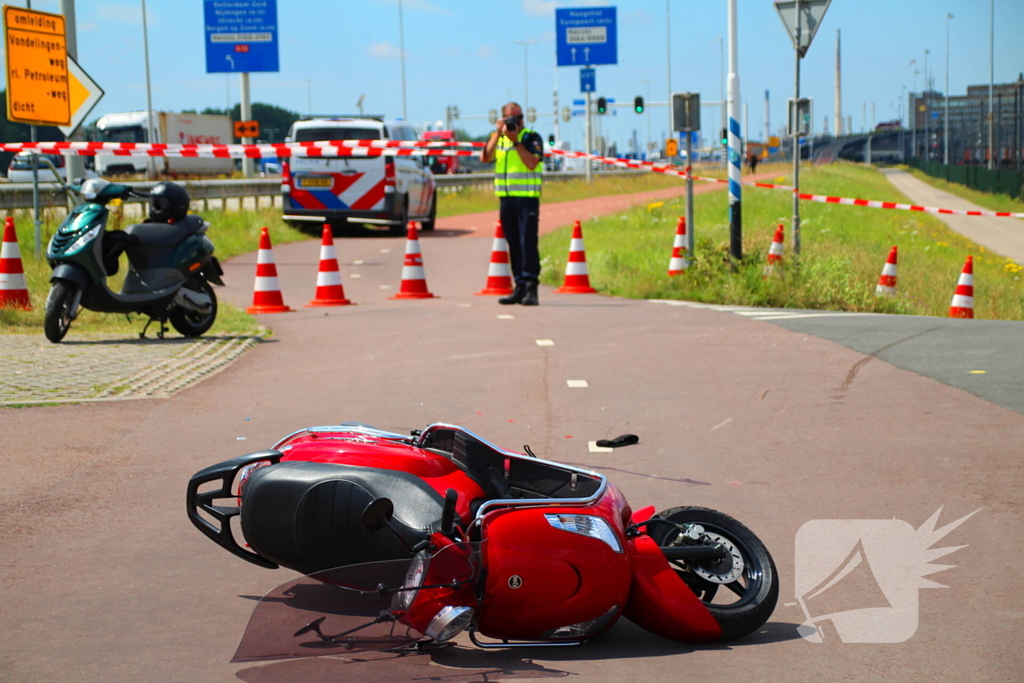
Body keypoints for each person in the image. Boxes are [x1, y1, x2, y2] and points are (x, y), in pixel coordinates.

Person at [480, 102, 544, 305]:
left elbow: (532, 163)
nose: (517, 122)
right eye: (511, 119)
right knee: (513, 243)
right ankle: (519, 286)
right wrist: (498, 134)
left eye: (519, 117)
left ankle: (531, 288)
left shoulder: (531, 137)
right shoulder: (498, 139)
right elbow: (485, 158)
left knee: (527, 243)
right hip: (506, 199)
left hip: (527, 199)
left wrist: (516, 141)